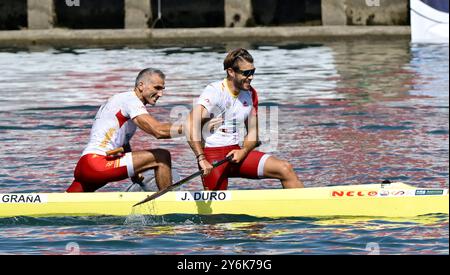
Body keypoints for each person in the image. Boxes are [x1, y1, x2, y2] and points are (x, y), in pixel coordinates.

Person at [186, 48, 304, 190]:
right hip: (212, 157)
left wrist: (243, 151)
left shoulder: (251, 94)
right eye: (246, 73)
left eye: (253, 72)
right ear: (231, 72)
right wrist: (201, 158)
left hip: (236, 154)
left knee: (285, 169)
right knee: (217, 212)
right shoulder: (214, 91)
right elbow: (189, 124)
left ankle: (305, 209)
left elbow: (253, 134)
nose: (251, 77)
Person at [67, 68, 184, 192]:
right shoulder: (131, 101)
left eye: (162, 89)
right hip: (98, 164)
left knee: (65, 204)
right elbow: (158, 131)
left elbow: (122, 142)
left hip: (85, 165)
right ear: (141, 86)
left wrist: (134, 173)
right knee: (162, 156)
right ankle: (167, 202)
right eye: (157, 88)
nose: (160, 94)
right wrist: (192, 127)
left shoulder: (120, 100)